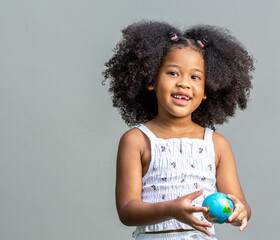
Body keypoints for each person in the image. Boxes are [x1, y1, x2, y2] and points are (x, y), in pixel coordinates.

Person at [102, 21, 254, 239]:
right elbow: (127, 211)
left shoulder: (217, 144)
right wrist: (171, 209)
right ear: (152, 80)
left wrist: (240, 210)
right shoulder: (136, 140)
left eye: (195, 77)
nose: (184, 83)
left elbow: (239, 203)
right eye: (173, 73)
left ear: (206, 91)